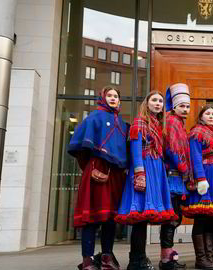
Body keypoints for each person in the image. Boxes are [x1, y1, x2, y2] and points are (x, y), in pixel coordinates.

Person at [116, 91, 178, 270]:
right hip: (144, 168)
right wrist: (139, 173)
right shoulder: (139, 122)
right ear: (147, 103)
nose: (158, 103)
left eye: (160, 101)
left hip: (156, 169)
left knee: (144, 218)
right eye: (154, 100)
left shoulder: (159, 124)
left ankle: (140, 259)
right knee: (140, 219)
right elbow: (135, 149)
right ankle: (136, 260)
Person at [68, 86, 128, 270]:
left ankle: (106, 258)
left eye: (116, 96)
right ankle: (87, 261)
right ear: (102, 98)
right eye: (109, 95)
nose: (113, 98)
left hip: (116, 175)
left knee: (110, 218)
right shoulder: (94, 117)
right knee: (91, 218)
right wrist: (92, 167)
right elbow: (81, 150)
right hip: (96, 171)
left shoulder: (124, 124)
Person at [182, 105, 213, 269]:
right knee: (201, 218)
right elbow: (195, 157)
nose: (211, 116)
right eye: (207, 114)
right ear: (201, 117)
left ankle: (209, 257)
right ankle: (200, 258)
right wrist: (201, 178)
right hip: (205, 174)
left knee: (212, 219)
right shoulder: (196, 132)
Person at [160, 83, 192, 270]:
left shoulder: (179, 122)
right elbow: (172, 148)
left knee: (174, 217)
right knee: (171, 218)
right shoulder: (172, 121)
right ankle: (166, 259)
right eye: (182, 106)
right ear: (175, 106)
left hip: (176, 176)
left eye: (187, 106)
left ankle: (168, 256)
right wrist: (184, 167)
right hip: (173, 175)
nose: (185, 109)